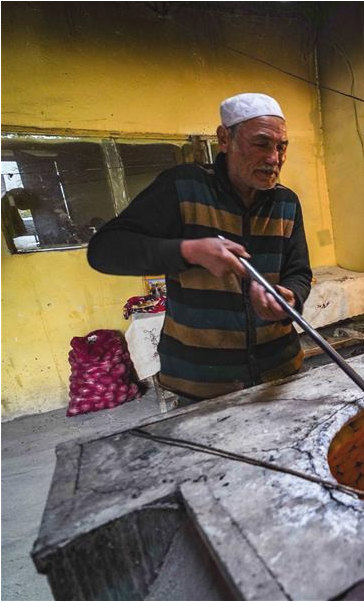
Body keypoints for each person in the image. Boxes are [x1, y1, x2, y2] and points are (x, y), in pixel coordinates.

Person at [88, 93, 312, 401]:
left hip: (279, 370)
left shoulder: (286, 202)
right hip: (202, 381)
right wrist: (188, 252)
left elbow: (298, 271)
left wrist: (289, 296)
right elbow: (104, 250)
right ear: (224, 139)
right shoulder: (183, 187)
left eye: (281, 146)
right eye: (261, 144)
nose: (274, 158)